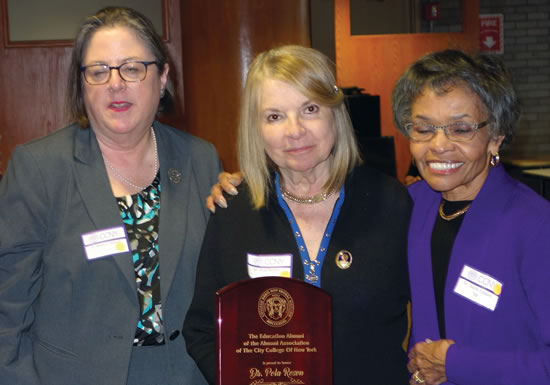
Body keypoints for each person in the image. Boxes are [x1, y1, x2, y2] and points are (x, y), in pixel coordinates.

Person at [0, 7, 220, 385]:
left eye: (133, 68)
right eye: (99, 71)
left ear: (163, 76)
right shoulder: (39, 168)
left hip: (188, 374)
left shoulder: (201, 159)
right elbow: (7, 309)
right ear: (81, 84)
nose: (115, 84)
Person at [182, 45, 412, 385]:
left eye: (310, 109)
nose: (294, 130)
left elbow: (432, 318)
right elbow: (202, 328)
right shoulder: (233, 211)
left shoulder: (391, 203)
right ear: (256, 129)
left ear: (335, 114)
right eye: (274, 116)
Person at [391, 49, 550, 385]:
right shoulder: (410, 205)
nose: (438, 145)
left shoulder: (535, 226)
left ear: (495, 138)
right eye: (423, 128)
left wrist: (458, 364)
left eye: (461, 129)